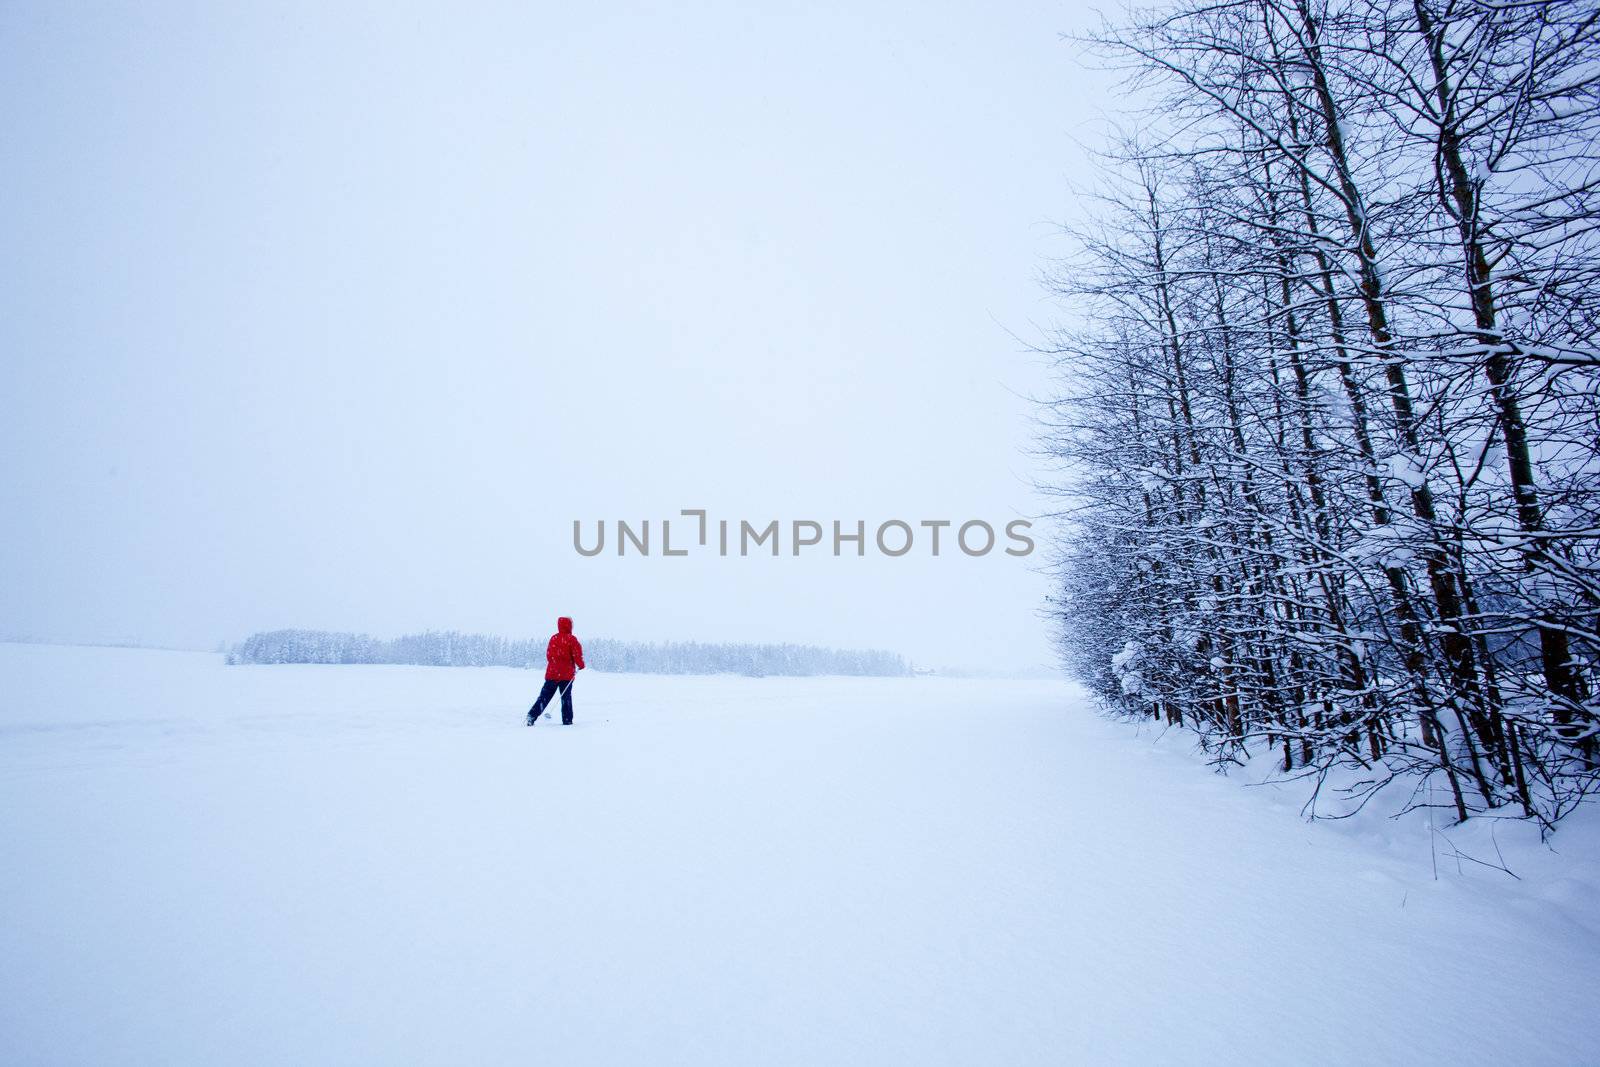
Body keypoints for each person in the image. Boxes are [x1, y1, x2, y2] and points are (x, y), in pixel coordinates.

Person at [526, 616, 584, 726]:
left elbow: (548, 655)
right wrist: (581, 665)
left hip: (552, 674)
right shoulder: (571, 639)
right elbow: (577, 654)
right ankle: (567, 721)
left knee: (544, 697)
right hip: (566, 676)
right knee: (566, 698)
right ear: (570, 625)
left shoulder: (554, 638)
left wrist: (555, 665)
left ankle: (532, 715)